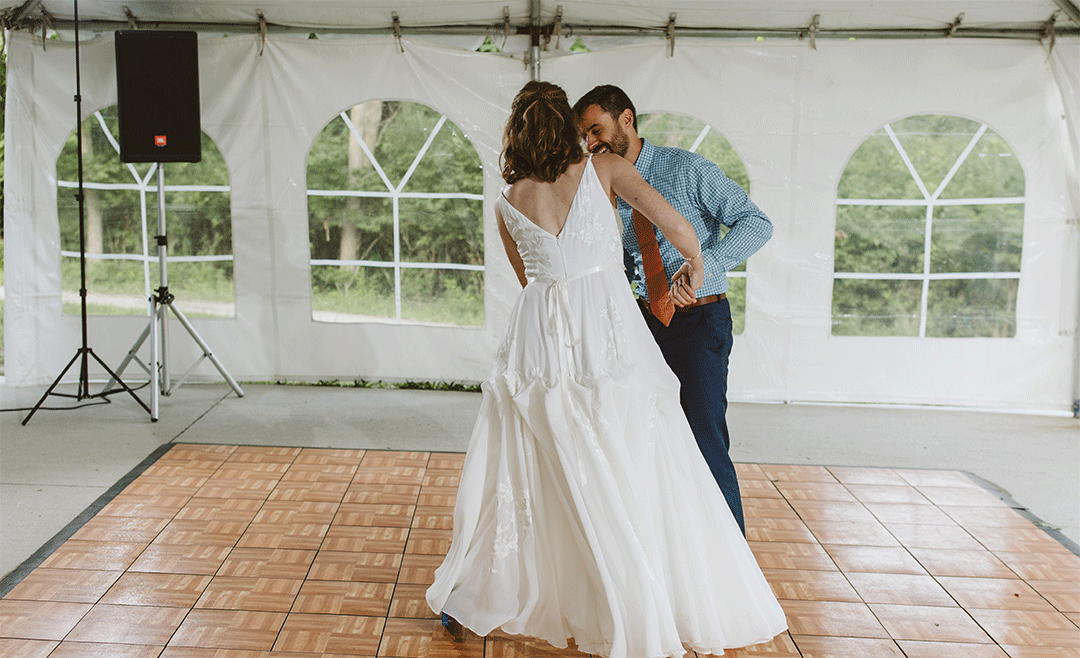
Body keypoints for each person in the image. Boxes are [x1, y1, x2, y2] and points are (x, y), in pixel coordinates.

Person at [426, 80, 786, 658]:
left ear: (516, 134)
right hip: (611, 326)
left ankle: (501, 587)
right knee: (631, 451)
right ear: (567, 128)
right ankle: (647, 584)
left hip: (542, 333)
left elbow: (530, 279)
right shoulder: (606, 171)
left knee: (534, 462)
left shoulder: (508, 200)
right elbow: (675, 227)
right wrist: (696, 264)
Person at [573, 85, 773, 535]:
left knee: (704, 439)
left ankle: (732, 561)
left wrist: (708, 265)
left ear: (626, 119)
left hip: (700, 323)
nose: (590, 144)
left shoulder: (686, 169)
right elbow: (622, 259)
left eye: (596, 130)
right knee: (649, 440)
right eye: (583, 136)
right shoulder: (599, 181)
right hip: (645, 327)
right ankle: (675, 554)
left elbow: (757, 222)